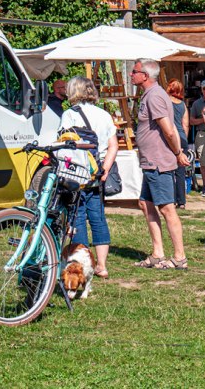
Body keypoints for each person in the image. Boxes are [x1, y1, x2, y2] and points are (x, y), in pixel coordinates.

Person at [131, 58, 190, 269]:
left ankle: (179, 257)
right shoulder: (151, 95)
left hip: (158, 162)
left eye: (134, 71)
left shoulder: (154, 96)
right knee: (145, 204)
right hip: (151, 162)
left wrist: (178, 152)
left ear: (145, 75)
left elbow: (168, 129)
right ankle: (157, 252)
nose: (131, 74)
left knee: (167, 208)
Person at [61, 76, 117, 276]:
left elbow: (65, 143)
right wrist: (105, 169)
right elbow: (113, 145)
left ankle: (84, 263)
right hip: (97, 172)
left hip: (77, 173)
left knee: (77, 217)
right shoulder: (104, 115)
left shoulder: (69, 114)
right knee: (98, 217)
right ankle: (101, 265)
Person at [166, 80, 192, 207]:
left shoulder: (166, 103)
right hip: (182, 138)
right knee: (180, 171)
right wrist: (184, 139)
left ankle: (171, 199)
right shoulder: (183, 105)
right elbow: (185, 124)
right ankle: (181, 201)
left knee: (170, 170)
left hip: (170, 138)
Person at [187, 80, 205, 192]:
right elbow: (191, 121)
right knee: (203, 160)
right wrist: (204, 120)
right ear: (201, 90)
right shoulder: (197, 104)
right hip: (202, 134)